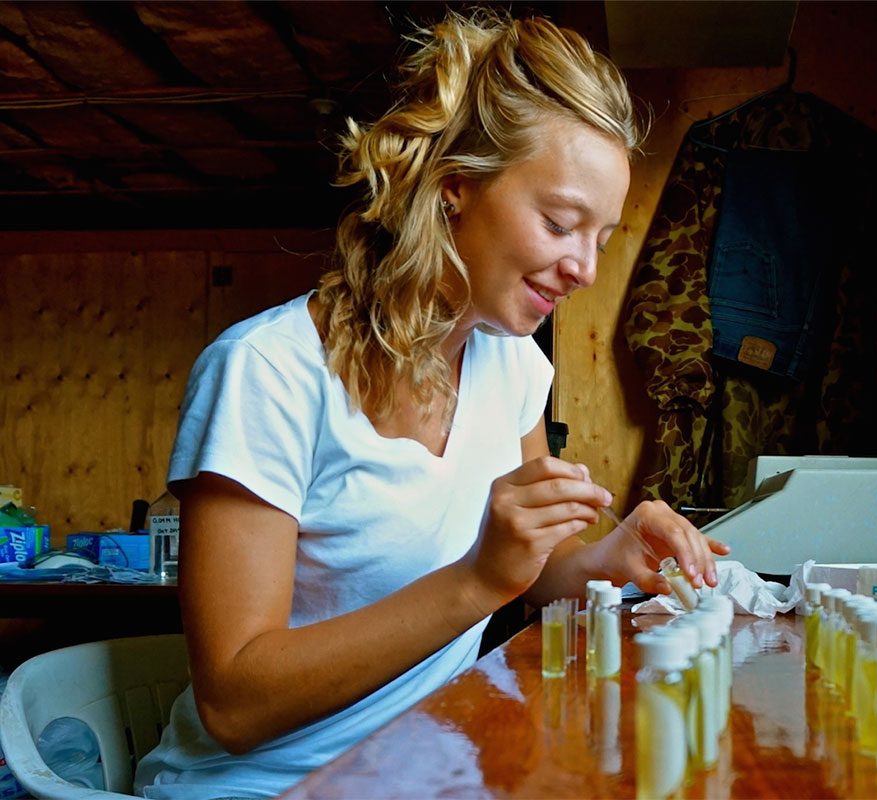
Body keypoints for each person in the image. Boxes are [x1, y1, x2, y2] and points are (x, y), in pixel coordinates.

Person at [134, 9, 727, 799]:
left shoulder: (514, 366)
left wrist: (607, 556)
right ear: (454, 189)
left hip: (430, 770)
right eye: (559, 223)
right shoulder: (265, 373)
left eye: (603, 238)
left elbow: (529, 572)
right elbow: (235, 704)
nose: (584, 267)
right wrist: (476, 583)